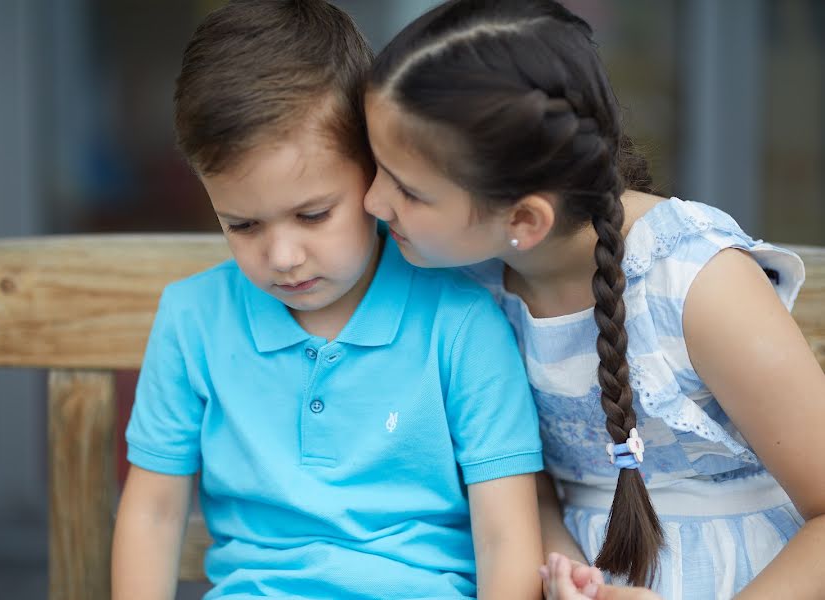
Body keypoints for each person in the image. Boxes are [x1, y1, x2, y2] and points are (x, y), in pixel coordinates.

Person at [361, 0, 825, 598]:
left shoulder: (693, 283)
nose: (372, 202)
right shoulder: (472, 283)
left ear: (524, 219)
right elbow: (531, 487)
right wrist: (569, 576)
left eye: (408, 190)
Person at [111, 2, 545, 599]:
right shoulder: (194, 321)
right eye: (243, 225)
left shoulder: (462, 324)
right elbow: (153, 514)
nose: (283, 255)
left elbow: (506, 537)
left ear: (375, 170)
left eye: (313, 214)